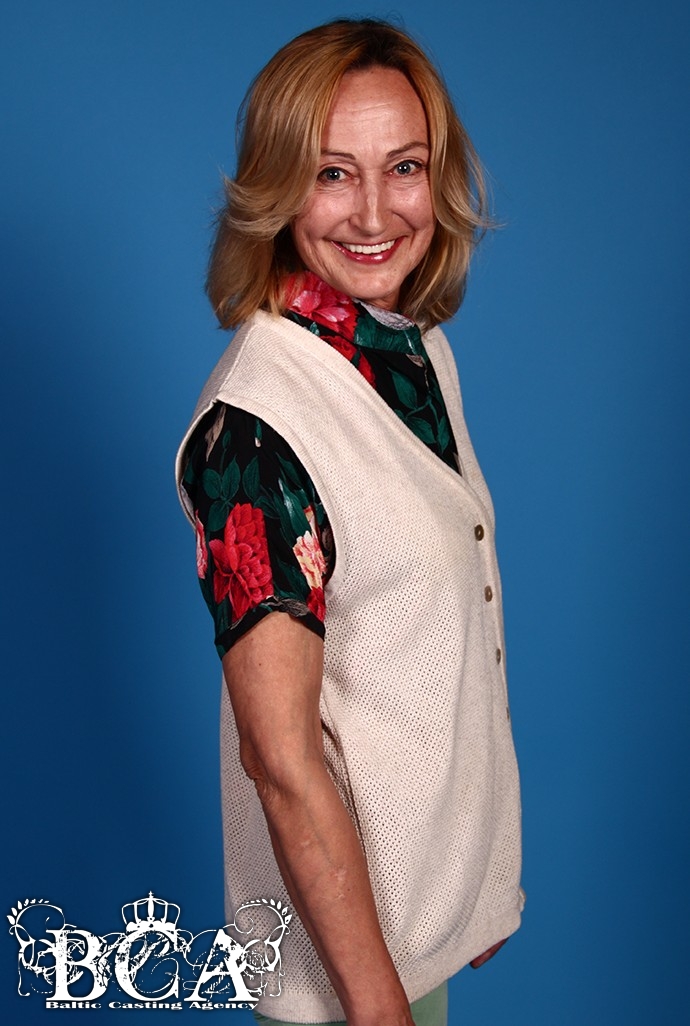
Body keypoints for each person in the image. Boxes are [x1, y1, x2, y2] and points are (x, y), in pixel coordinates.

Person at [176, 18, 523, 1026]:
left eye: (404, 167)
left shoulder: (409, 351)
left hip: (411, 934)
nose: (375, 213)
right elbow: (282, 764)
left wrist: (472, 880)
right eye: (333, 174)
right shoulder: (257, 433)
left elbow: (428, 641)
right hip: (345, 979)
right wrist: (379, 1007)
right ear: (277, 188)